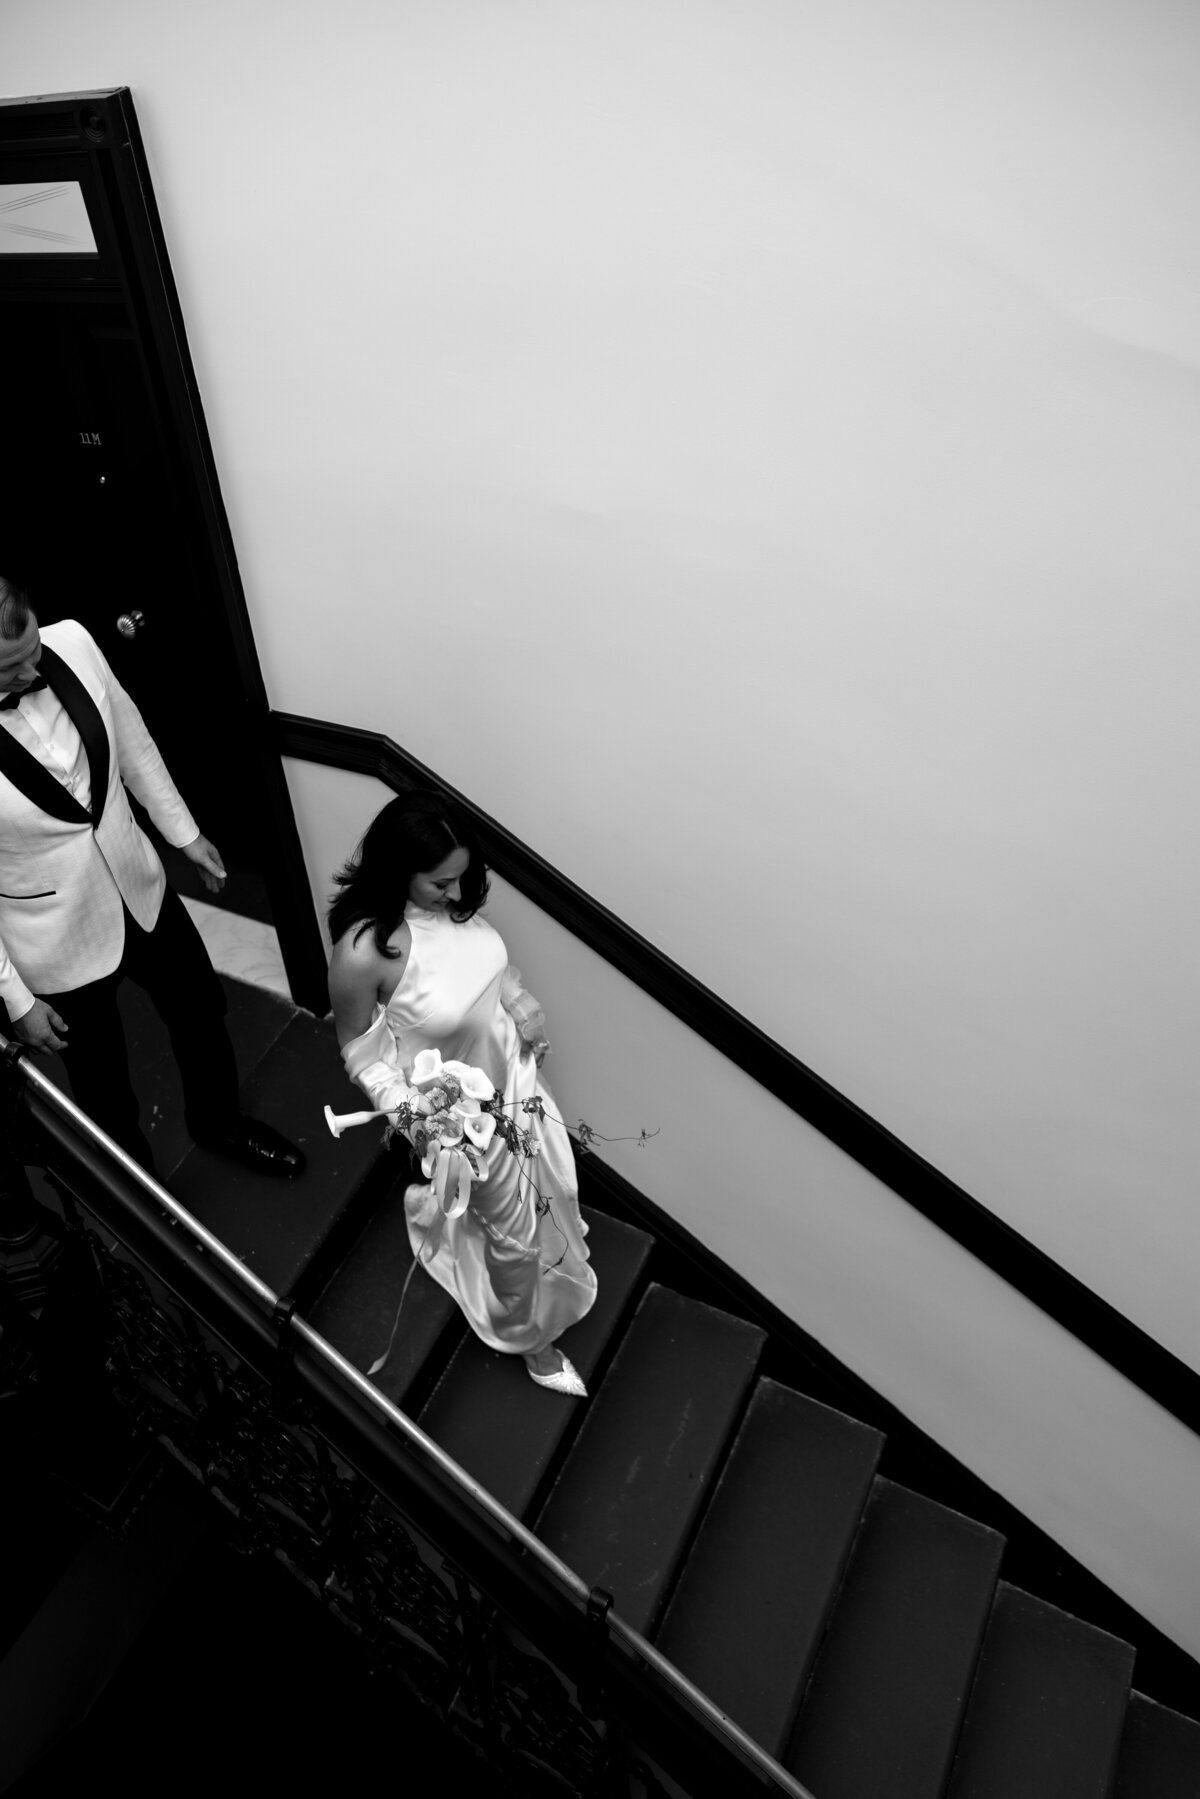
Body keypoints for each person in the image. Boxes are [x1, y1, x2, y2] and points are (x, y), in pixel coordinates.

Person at [0, 576, 305, 1180]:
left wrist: (183, 833)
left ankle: (220, 1121)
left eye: (32, 649)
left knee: (200, 1010)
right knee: (102, 1080)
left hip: (140, 882)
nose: (32, 670)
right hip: (54, 936)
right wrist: (15, 998)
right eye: (9, 668)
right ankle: (137, 1191)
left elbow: (133, 741)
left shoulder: (74, 641)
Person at [328, 792, 596, 1395]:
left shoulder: (450, 903)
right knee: (513, 1237)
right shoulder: (365, 952)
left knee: (551, 1181)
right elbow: (360, 1054)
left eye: (461, 878)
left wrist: (518, 1001)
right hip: (464, 1118)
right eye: (441, 883)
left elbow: (486, 967)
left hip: (513, 1075)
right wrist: (420, 1121)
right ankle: (529, 1339)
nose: (455, 896)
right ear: (398, 870)